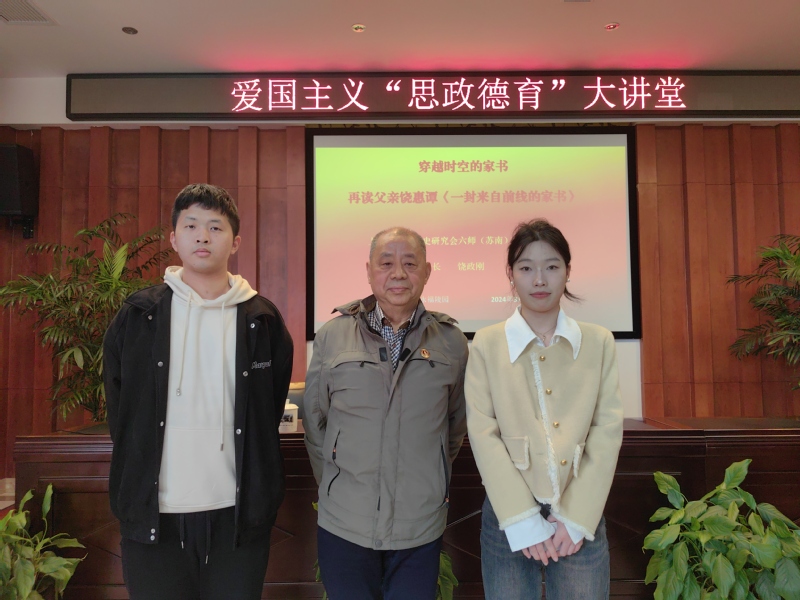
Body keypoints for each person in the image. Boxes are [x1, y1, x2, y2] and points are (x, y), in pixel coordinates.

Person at [103, 183, 293, 600]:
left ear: (235, 242)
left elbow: (268, 407)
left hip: (238, 514)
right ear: (174, 239)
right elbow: (121, 409)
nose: (203, 236)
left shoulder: (262, 319)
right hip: (155, 513)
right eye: (191, 226)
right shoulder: (139, 315)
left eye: (215, 227)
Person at [303, 226, 469, 600]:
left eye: (410, 263)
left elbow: (453, 427)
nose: (398, 274)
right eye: (386, 263)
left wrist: (429, 478)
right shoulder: (333, 335)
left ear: (427, 272)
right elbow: (316, 423)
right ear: (369, 271)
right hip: (344, 522)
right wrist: (337, 484)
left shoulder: (451, 342)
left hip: (418, 526)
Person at [465, 219, 623, 600]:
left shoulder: (598, 342)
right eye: (526, 268)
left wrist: (575, 518)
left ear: (568, 271)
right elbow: (483, 434)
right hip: (508, 514)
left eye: (551, 266)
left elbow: (607, 430)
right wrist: (521, 519)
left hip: (580, 509)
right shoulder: (486, 344)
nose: (539, 280)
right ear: (511, 274)